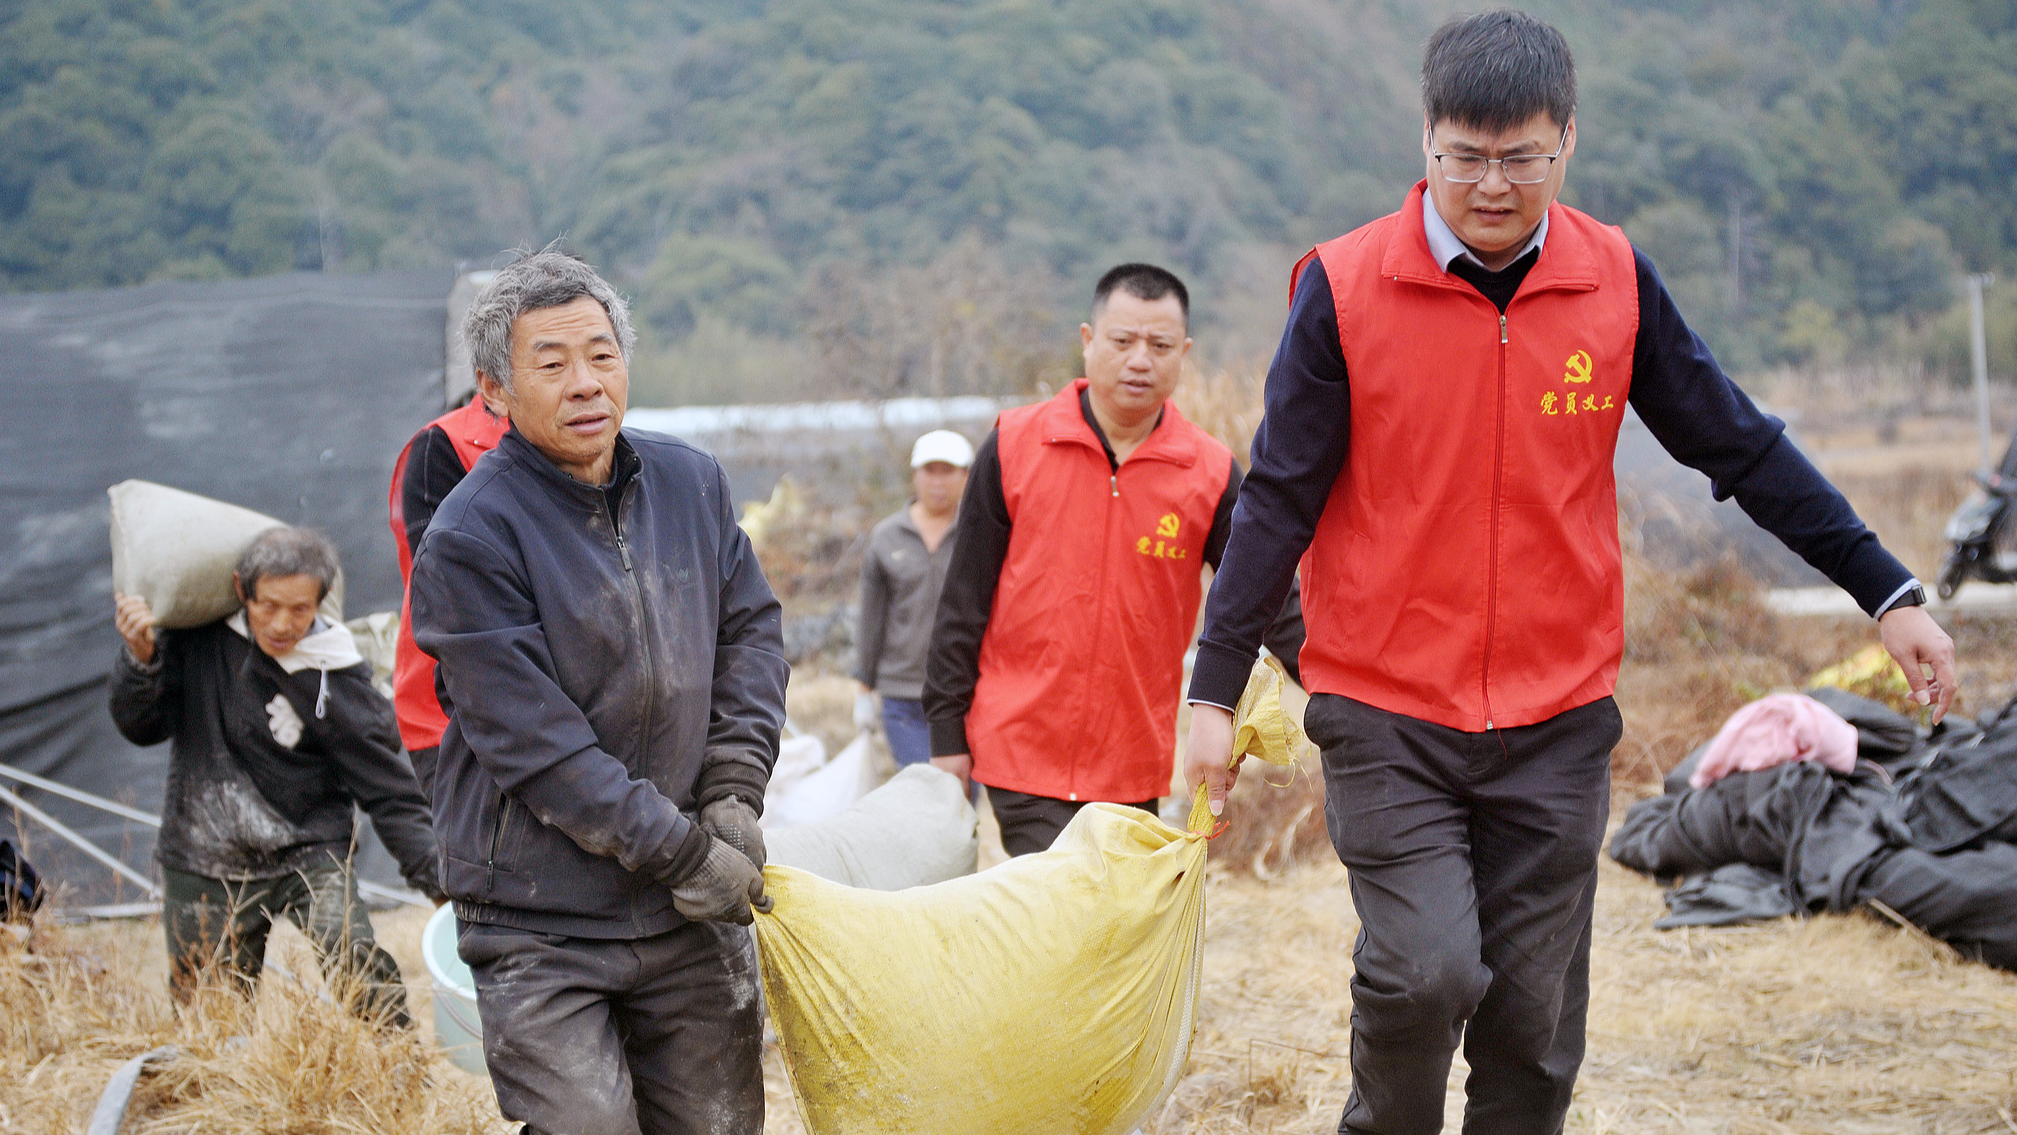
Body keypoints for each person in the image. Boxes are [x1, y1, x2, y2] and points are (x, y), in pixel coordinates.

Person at [1180, 11, 1959, 1134]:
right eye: (1465, 157)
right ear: (1425, 143)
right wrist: (1213, 690)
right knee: (1426, 973)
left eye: (1520, 158)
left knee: (1534, 1029)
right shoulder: (1343, 291)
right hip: (1387, 709)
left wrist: (1884, 590)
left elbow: (1733, 443)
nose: (1490, 186)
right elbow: (1278, 499)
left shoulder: (1612, 280)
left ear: (1567, 144)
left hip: (1555, 716)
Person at [409, 248, 787, 1135]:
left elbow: (750, 634)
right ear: (494, 390)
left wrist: (733, 789)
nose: (585, 383)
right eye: (552, 363)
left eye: (602, 355)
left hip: (685, 910)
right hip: (540, 919)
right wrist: (685, 853)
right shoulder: (470, 536)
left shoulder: (690, 483)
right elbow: (536, 745)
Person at [924, 263, 1302, 857]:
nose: (1139, 360)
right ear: (1088, 340)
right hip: (1020, 748)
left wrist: (1338, 689)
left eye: (1159, 345)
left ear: (1185, 352)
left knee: (1108, 936)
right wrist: (946, 733)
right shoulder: (1015, 445)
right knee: (1056, 920)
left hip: (1131, 758)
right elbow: (963, 600)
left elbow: (1263, 594)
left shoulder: (1207, 473)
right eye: (1122, 341)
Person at [108, 526, 443, 1024]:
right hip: (205, 850)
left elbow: (389, 791)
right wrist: (141, 661)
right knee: (208, 1016)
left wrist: (440, 886)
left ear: (321, 604)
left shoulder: (335, 672)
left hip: (310, 849)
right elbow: (141, 728)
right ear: (243, 590)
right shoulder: (201, 643)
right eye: (268, 605)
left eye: (300, 609)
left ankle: (398, 1079)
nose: (283, 623)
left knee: (357, 969)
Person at [387, 390, 509, 796]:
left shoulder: (600, 445)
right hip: (450, 714)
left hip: (557, 713)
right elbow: (449, 588)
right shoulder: (441, 446)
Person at [853, 429, 973, 766]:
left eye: (948, 471)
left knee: (963, 799)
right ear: (914, 476)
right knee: (923, 793)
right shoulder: (887, 537)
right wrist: (863, 688)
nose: (938, 482)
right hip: (902, 694)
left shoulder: (978, 532)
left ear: (966, 476)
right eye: (929, 471)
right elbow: (871, 618)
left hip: (965, 691)